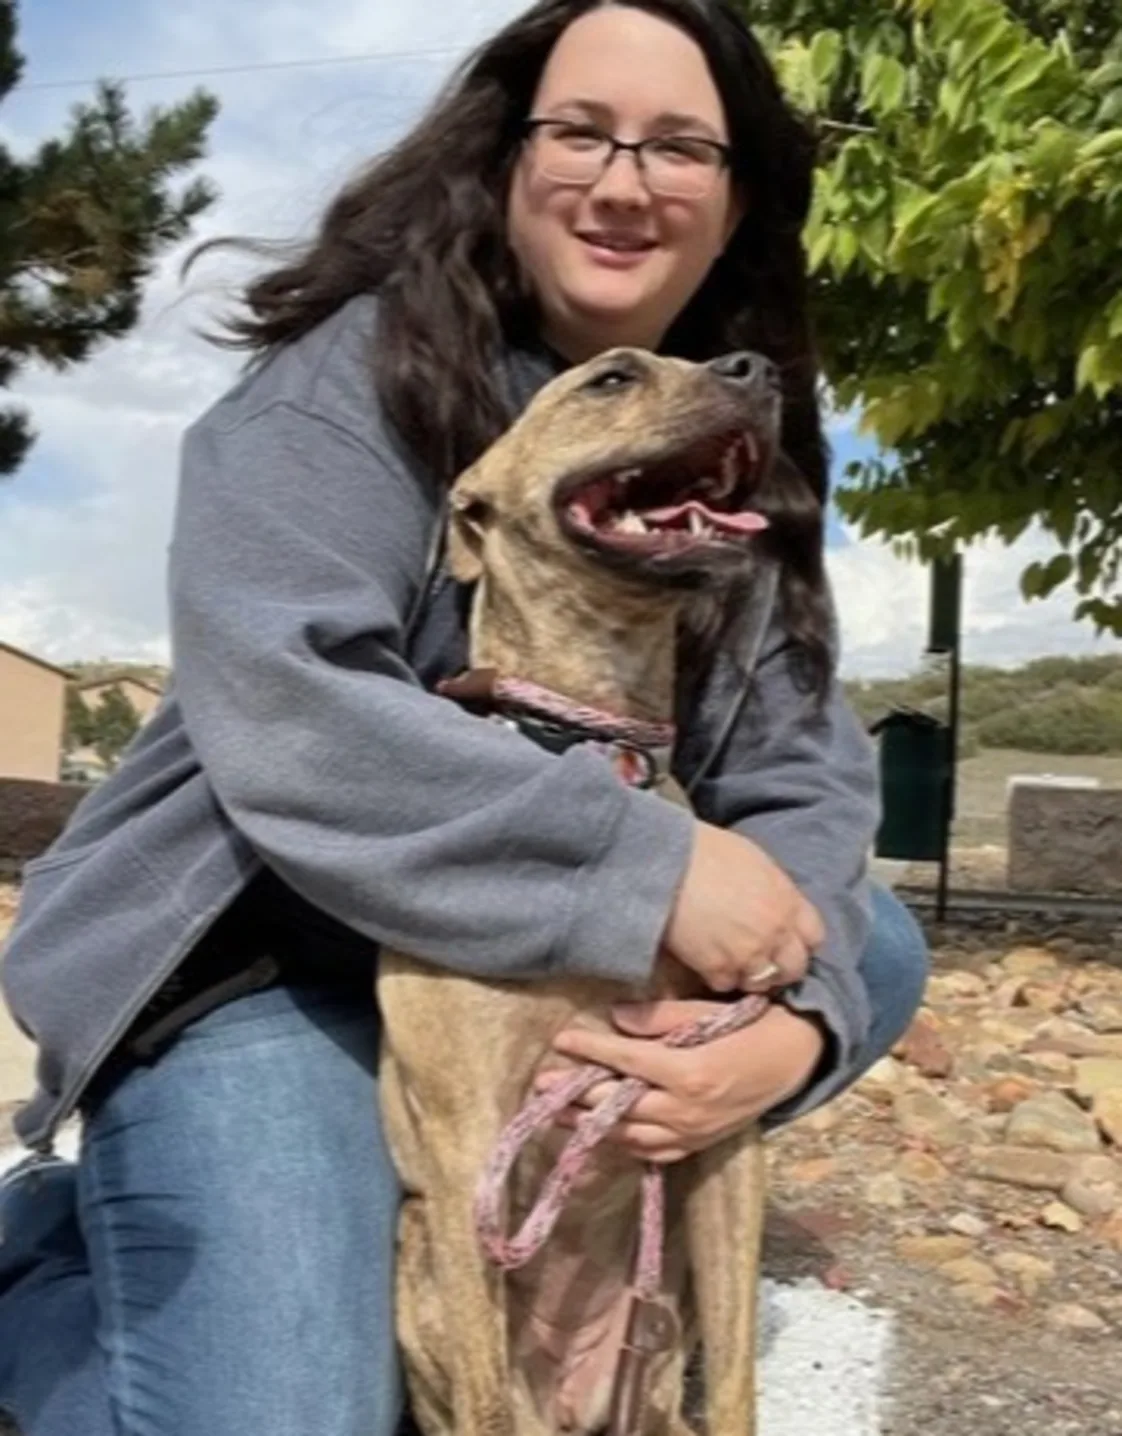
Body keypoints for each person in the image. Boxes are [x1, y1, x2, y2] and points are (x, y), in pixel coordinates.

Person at [0, 1, 929, 1432]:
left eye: (681, 144)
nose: (625, 180)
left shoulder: (718, 450)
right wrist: (651, 867)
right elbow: (294, 714)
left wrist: (782, 1035)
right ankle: (48, 1271)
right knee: (302, 1409)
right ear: (507, 157)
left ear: (733, 195)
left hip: (523, 964)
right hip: (274, 967)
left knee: (870, 938)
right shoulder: (346, 384)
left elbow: (801, 770)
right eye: (581, 132)